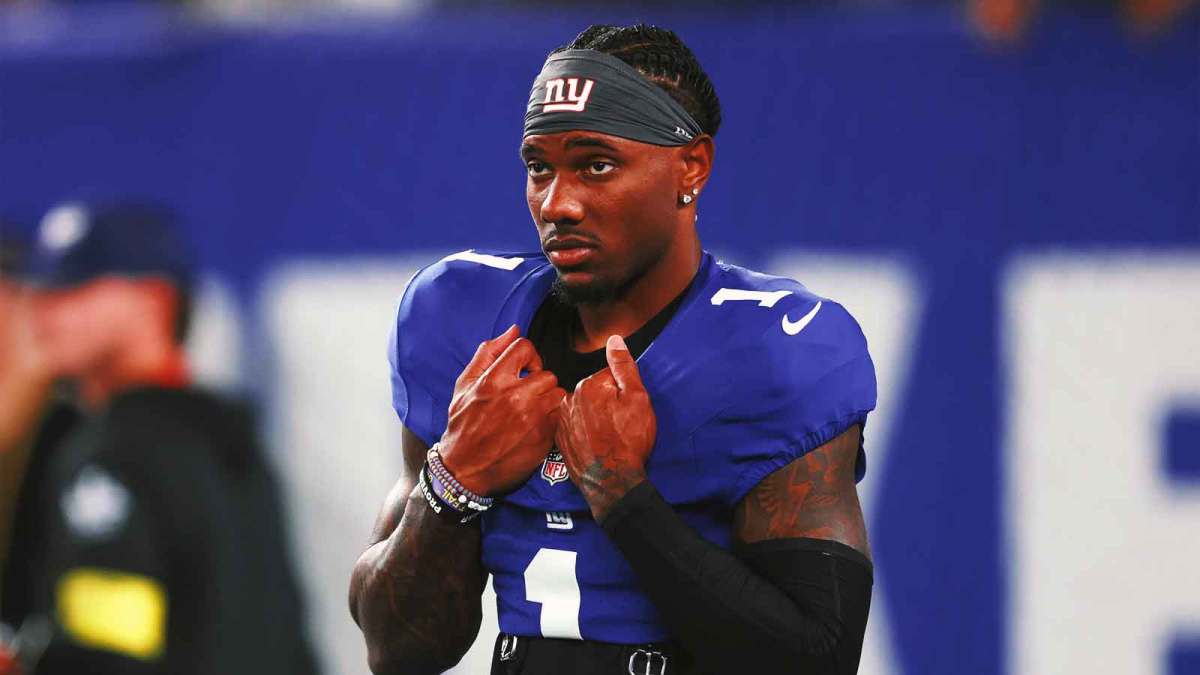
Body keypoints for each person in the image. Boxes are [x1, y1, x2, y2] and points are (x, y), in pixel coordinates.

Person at [349, 24, 877, 675]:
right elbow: (395, 649)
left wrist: (625, 498)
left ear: (691, 166)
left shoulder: (779, 350)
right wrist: (453, 482)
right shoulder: (459, 317)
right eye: (539, 167)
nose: (556, 202)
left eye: (595, 164)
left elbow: (818, 659)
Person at [0, 202, 319, 675]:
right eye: (42, 288)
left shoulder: (109, 452)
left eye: (76, 285)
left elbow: (105, 659)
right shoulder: (231, 437)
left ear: (154, 300)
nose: (45, 308)